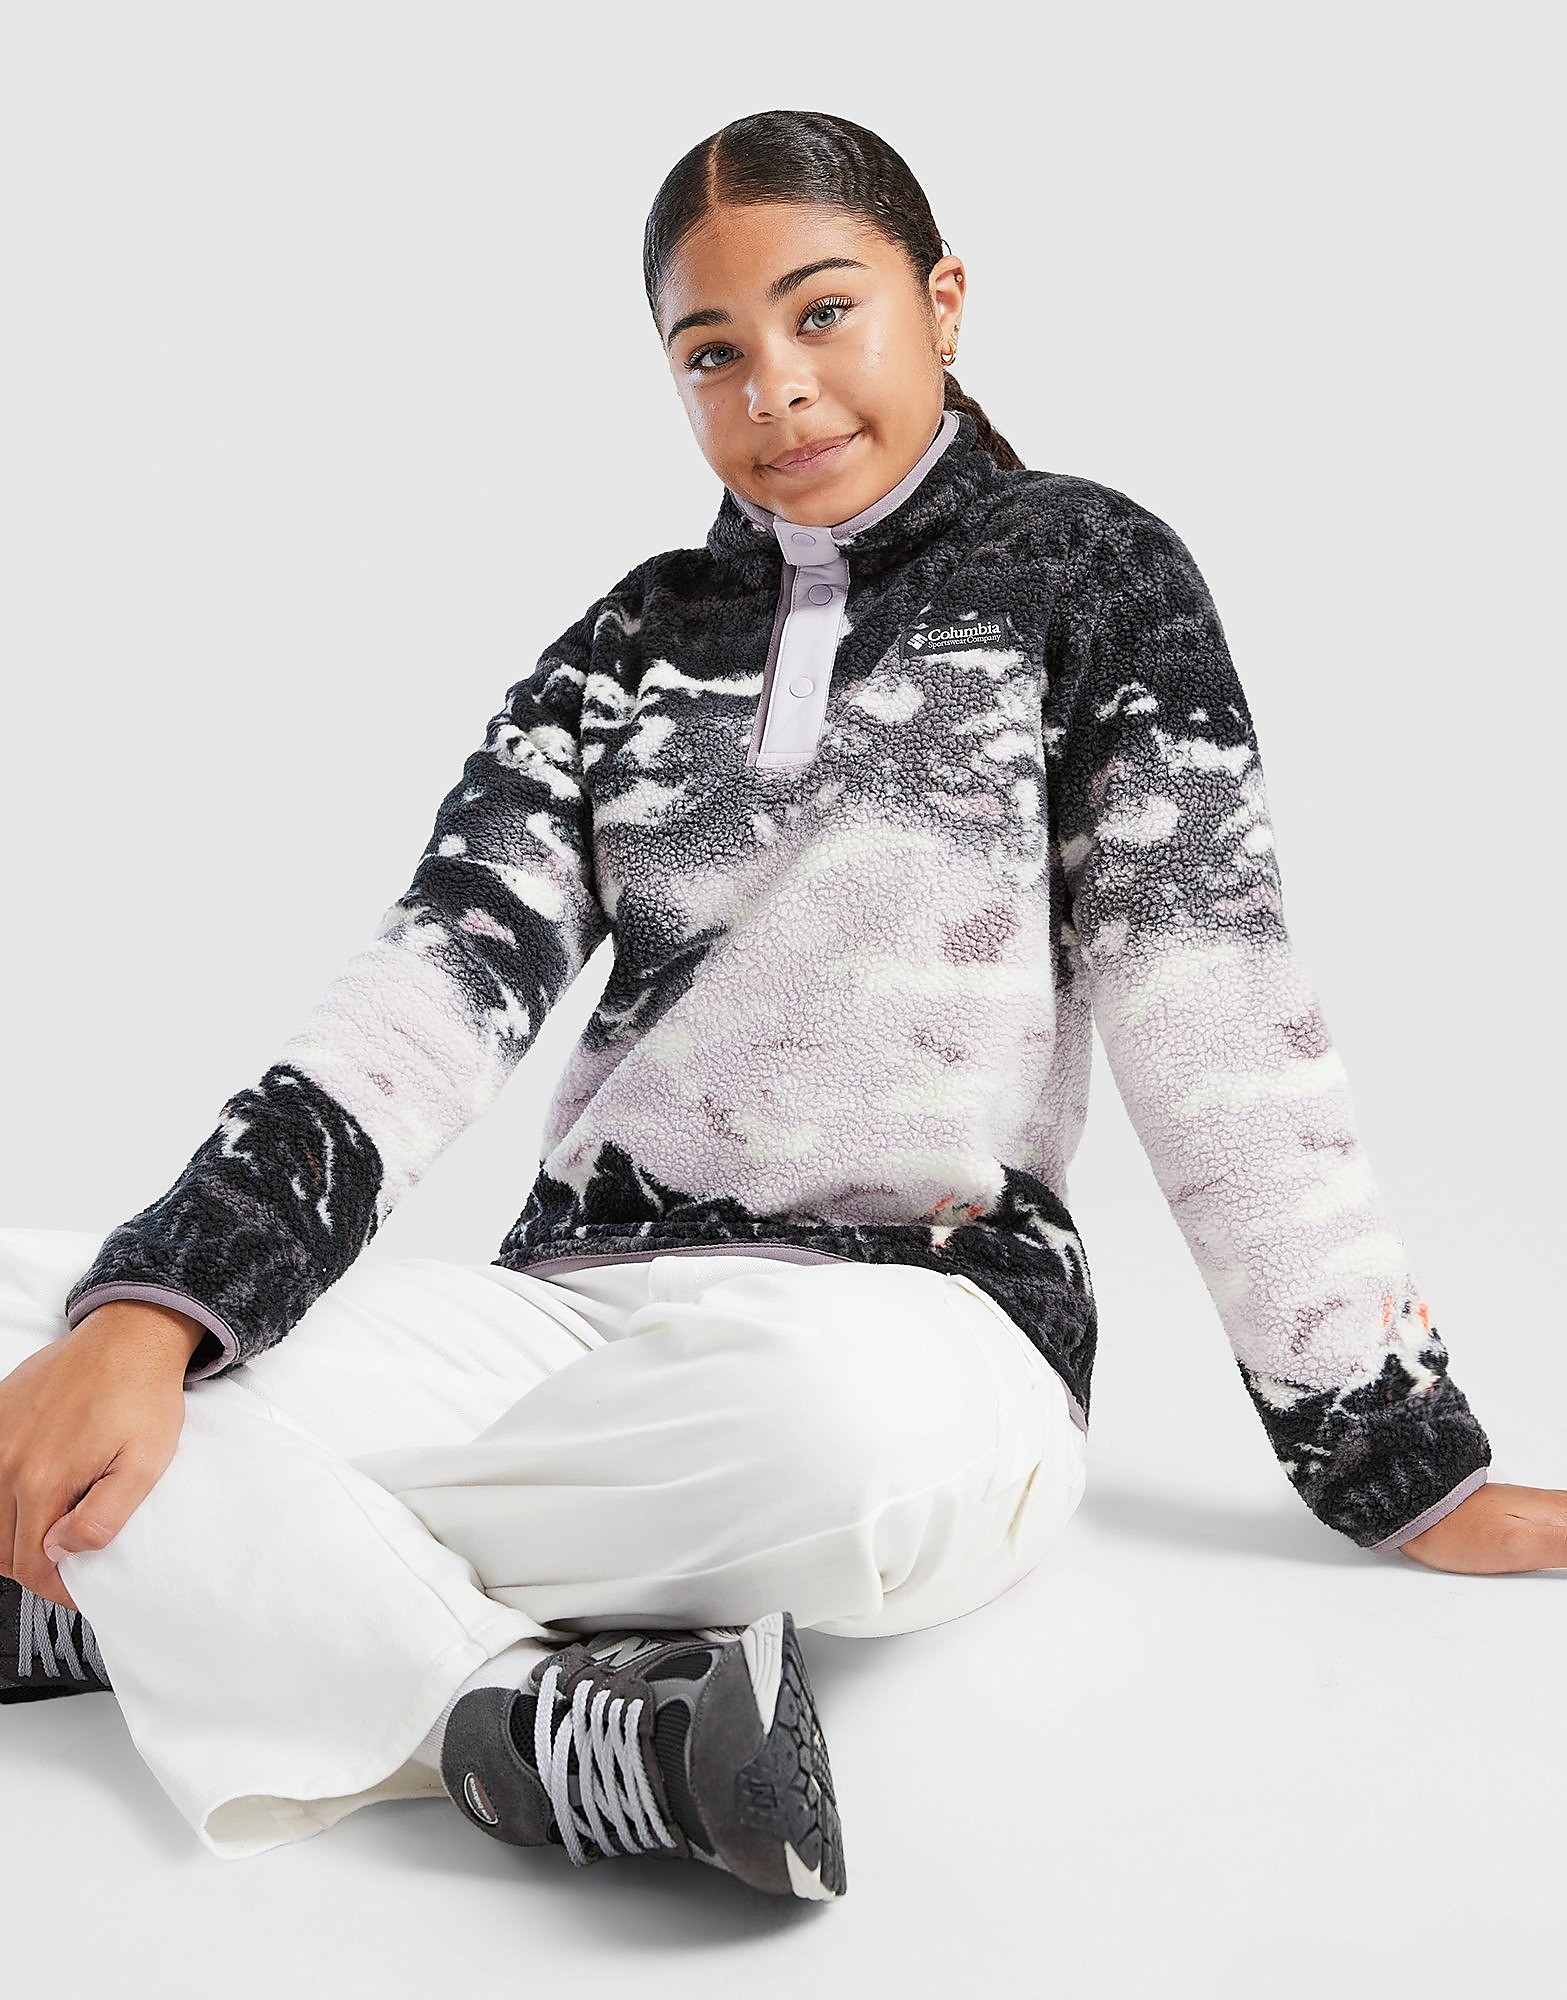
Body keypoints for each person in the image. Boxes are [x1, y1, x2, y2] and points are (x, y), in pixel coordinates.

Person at [3, 106, 1560, 1901]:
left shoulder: (1089, 575)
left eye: (825, 313)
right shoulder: (626, 646)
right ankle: (504, 1717)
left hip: (919, 1333)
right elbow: (424, 996)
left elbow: (1218, 1022)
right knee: (46, 1308)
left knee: (844, 1447)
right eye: (712, 352)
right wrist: (152, 1319)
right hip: (578, 1329)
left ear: (942, 300)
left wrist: (1395, 1457)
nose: (778, 391)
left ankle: (150, 1581)